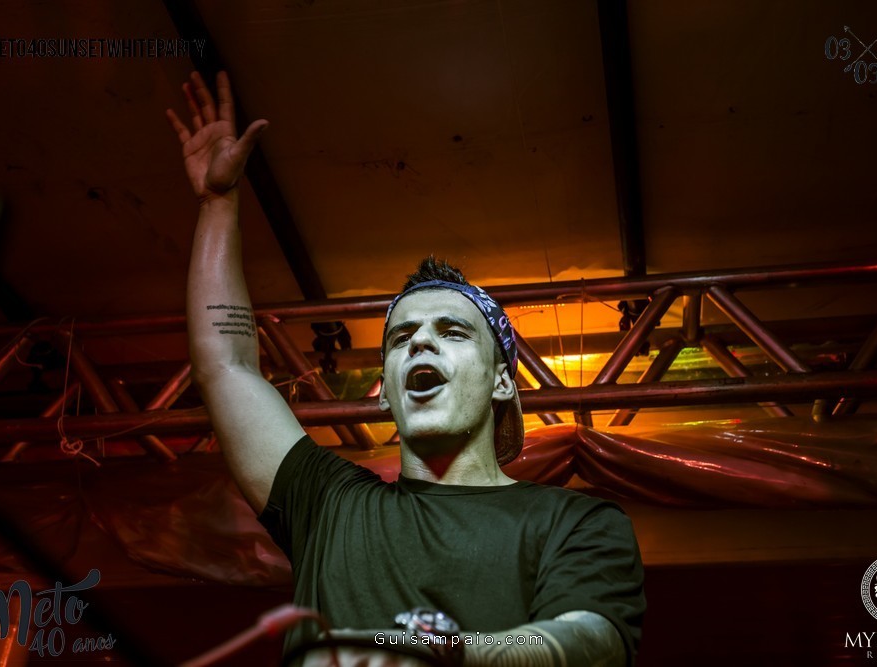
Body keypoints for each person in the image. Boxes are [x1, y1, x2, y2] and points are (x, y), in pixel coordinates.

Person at [168, 71, 645, 666]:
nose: (420, 341)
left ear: (502, 380)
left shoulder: (572, 521)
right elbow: (228, 368)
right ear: (384, 394)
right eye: (401, 338)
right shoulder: (329, 504)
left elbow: (589, 640)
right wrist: (218, 204)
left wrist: (454, 653)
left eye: (452, 331)